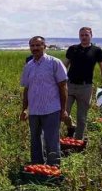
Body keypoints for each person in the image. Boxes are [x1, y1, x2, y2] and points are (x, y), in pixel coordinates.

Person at [20, 36, 69, 166]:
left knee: (52, 140)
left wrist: (63, 110)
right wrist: (24, 109)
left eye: (38, 45)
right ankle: (37, 167)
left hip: (51, 109)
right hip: (34, 110)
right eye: (32, 46)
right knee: (35, 140)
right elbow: (26, 89)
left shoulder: (54, 63)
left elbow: (63, 86)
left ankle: (54, 168)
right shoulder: (28, 66)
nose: (35, 48)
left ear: (44, 47)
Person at [64, 27, 102, 139]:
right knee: (63, 113)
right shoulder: (73, 49)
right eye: (82, 35)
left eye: (86, 35)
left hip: (86, 87)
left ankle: (78, 142)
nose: (84, 37)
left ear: (91, 36)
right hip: (69, 86)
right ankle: (71, 126)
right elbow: (64, 65)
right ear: (79, 36)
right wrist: (58, 81)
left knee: (81, 117)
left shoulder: (97, 51)